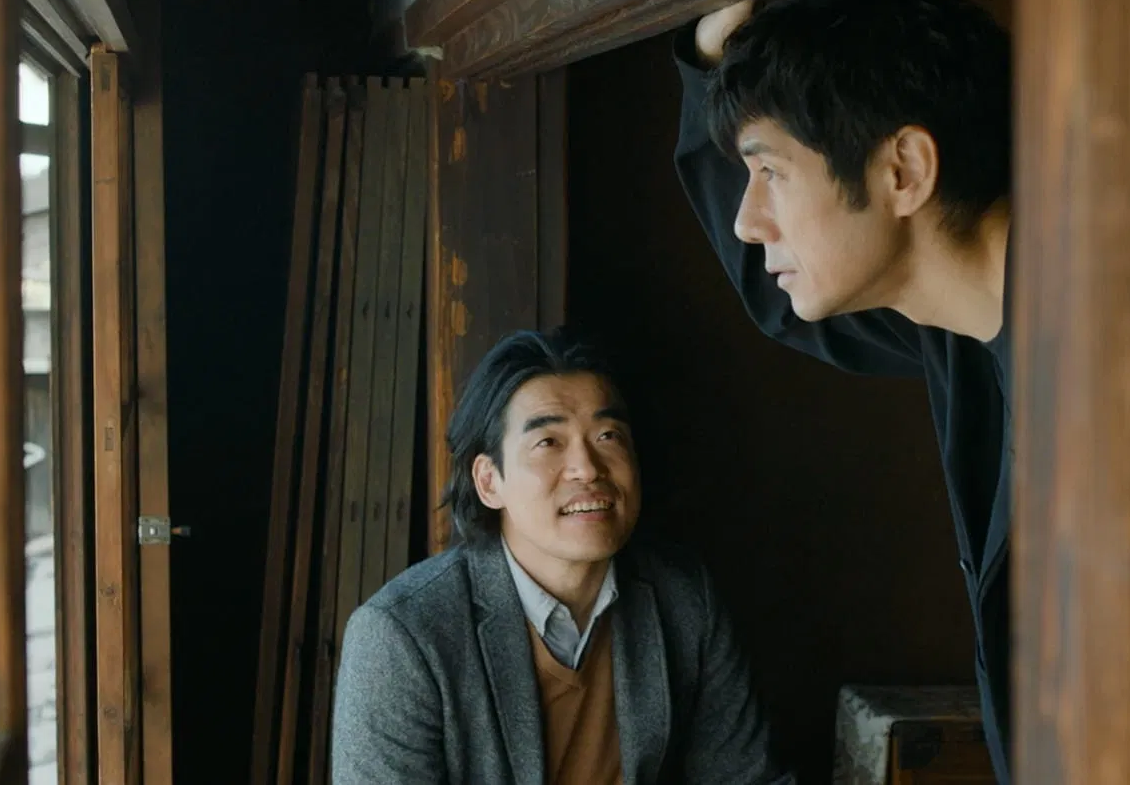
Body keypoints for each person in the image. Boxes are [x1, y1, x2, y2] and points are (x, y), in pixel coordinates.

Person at [672, 0, 1015, 783]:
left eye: (770, 173)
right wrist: (713, 56)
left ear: (903, 171)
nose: (747, 221)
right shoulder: (956, 327)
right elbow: (779, 297)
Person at [331, 328, 791, 785]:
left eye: (608, 435)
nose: (588, 468)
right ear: (489, 481)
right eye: (548, 442)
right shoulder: (403, 636)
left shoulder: (683, 597)